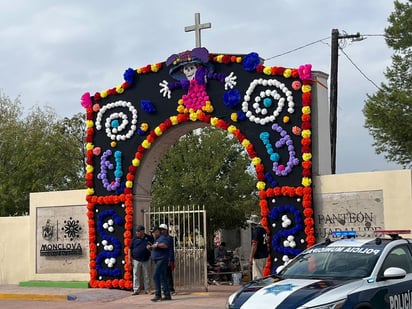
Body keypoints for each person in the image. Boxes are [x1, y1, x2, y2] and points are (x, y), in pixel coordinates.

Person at [148, 226, 171, 301]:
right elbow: (156, 249)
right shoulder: (156, 239)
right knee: (162, 277)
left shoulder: (163, 238)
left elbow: (165, 245)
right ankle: (167, 295)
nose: (152, 234)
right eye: (152, 233)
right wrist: (151, 247)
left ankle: (158, 295)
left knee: (155, 276)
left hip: (162, 260)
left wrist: (157, 245)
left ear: (157, 232)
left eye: (153, 233)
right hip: (157, 260)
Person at [128, 225, 153, 295]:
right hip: (136, 260)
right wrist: (129, 259)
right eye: (136, 231)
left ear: (142, 231)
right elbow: (130, 249)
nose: (137, 233)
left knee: (147, 275)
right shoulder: (134, 238)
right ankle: (136, 290)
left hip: (146, 259)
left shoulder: (149, 238)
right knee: (136, 274)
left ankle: (147, 289)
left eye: (138, 231)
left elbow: (153, 247)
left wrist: (150, 248)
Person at [247, 215, 269, 280]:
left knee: (258, 274)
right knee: (264, 273)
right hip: (265, 254)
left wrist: (251, 257)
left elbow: (254, 244)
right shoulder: (264, 230)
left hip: (258, 256)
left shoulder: (256, 231)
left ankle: (259, 287)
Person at [159, 223, 176, 295]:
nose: (162, 231)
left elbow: (171, 250)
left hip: (167, 259)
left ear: (166, 230)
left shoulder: (169, 238)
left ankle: (171, 289)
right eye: (160, 230)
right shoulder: (159, 238)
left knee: (168, 275)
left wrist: (170, 260)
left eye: (163, 230)